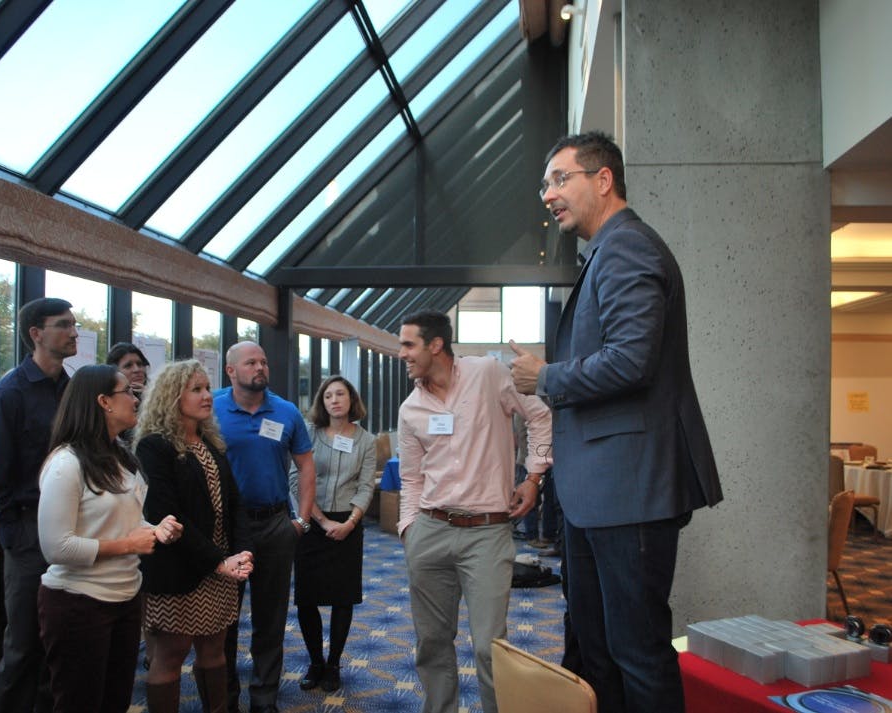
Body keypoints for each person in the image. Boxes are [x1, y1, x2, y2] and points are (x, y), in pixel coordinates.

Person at [510, 130, 723, 713]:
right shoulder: (606, 251)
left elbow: (633, 360)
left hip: (629, 489)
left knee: (638, 652)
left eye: (560, 179)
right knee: (598, 650)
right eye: (544, 184)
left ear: (603, 180)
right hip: (598, 493)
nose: (548, 194)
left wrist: (546, 378)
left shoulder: (628, 247)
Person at [397, 310, 552, 713]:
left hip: (487, 532)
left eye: (409, 344)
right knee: (431, 644)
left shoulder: (487, 373)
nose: (402, 354)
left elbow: (540, 415)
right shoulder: (411, 408)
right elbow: (411, 479)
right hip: (429, 530)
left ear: (436, 345)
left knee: (488, 646)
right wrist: (409, 530)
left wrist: (534, 477)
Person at [36, 364, 182, 713]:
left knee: (115, 701)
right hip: (78, 603)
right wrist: (129, 545)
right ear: (103, 401)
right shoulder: (67, 463)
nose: (135, 399)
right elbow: (56, 546)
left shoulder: (120, 455)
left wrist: (154, 529)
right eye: (127, 393)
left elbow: (123, 520)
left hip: (125, 595)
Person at [134, 360, 255, 712]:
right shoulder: (154, 446)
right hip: (179, 570)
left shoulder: (211, 443)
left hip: (221, 569)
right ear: (173, 397)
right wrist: (218, 562)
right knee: (170, 656)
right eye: (197, 389)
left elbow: (235, 504)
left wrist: (243, 551)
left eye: (207, 388)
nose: (207, 396)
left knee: (214, 652)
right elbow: (165, 514)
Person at [0, 297, 77, 713]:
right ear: (36, 335)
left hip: (73, 531)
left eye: (74, 324)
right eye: (63, 325)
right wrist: (16, 538)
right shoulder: (8, 395)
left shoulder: (71, 387)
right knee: (22, 647)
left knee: (59, 647)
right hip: (27, 533)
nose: (74, 332)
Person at [215, 341, 317, 713]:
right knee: (224, 619)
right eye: (251, 362)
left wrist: (302, 521)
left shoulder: (286, 412)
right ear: (231, 371)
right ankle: (223, 698)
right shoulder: (211, 407)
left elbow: (306, 465)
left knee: (270, 620)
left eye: (264, 361)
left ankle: (263, 700)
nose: (260, 367)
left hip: (275, 524)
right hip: (226, 528)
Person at [289, 375, 376, 694]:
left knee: (343, 597)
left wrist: (350, 522)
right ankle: (315, 662)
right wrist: (322, 521)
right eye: (328, 396)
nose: (335, 400)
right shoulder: (308, 433)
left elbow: (367, 486)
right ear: (321, 403)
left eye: (341, 394)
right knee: (307, 597)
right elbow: (295, 479)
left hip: (348, 523)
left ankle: (334, 664)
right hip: (311, 520)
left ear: (352, 400)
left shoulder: (366, 440)